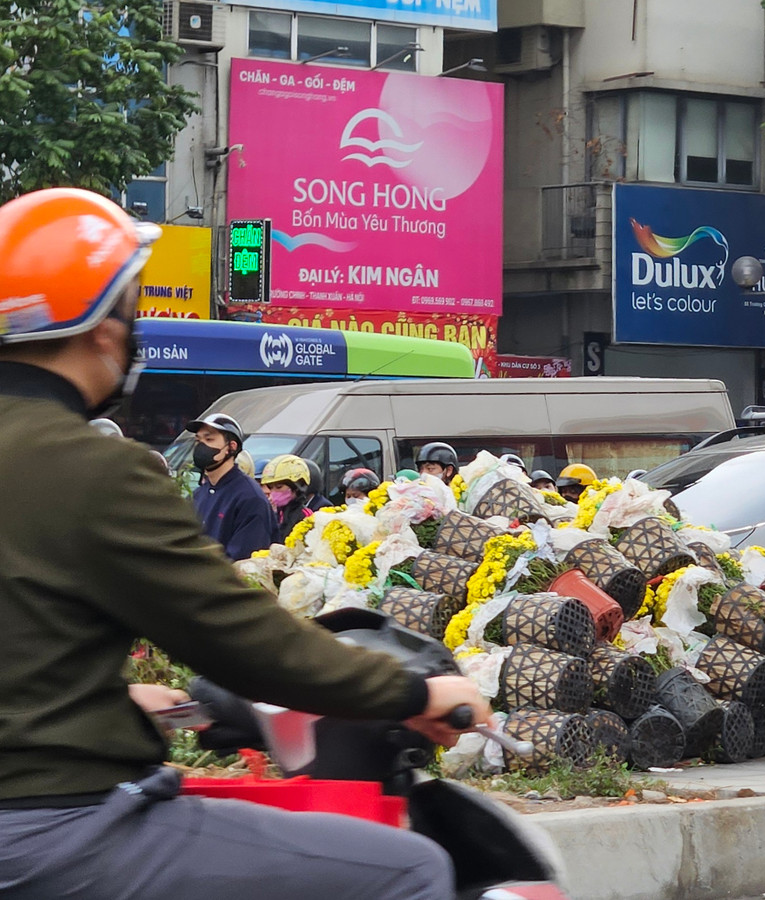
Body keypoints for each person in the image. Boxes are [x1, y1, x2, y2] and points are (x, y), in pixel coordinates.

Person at [0, 187, 490, 899]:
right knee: (412, 870)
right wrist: (411, 690)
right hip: (57, 829)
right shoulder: (95, 469)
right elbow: (239, 637)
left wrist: (99, 697)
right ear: (103, 329)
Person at [189, 412, 279, 561]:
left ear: (231, 447)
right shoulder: (199, 495)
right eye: (198, 440)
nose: (201, 445)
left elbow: (245, 561)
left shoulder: (250, 498)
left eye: (209, 439)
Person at [262, 453, 315, 538]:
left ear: (297, 487)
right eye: (271, 488)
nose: (273, 492)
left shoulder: (306, 517)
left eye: (279, 487)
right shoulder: (276, 513)